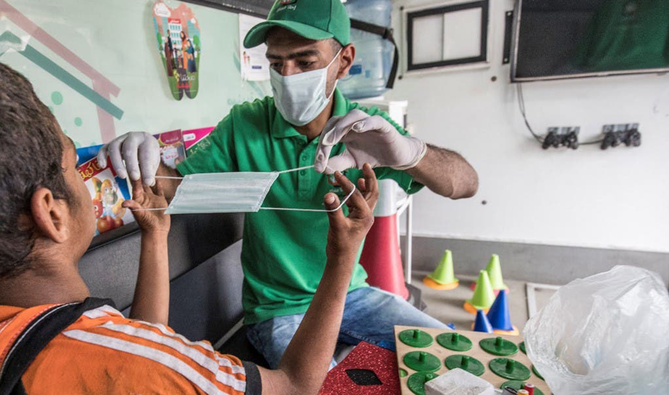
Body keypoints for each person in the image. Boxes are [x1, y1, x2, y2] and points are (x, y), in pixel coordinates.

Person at [99, 0, 479, 368]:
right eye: (277, 63)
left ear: (343, 60)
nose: (288, 76)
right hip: (278, 309)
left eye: (305, 61)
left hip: (353, 294)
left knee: (455, 356)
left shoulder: (369, 130)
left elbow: (465, 184)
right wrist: (143, 156)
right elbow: (171, 188)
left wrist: (412, 153)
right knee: (320, 386)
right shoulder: (245, 126)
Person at [0, 62, 378, 394]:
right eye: (72, 164)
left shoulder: (43, 335)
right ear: (52, 215)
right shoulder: (165, 369)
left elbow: (136, 345)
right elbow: (295, 386)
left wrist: (155, 236)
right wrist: (343, 255)